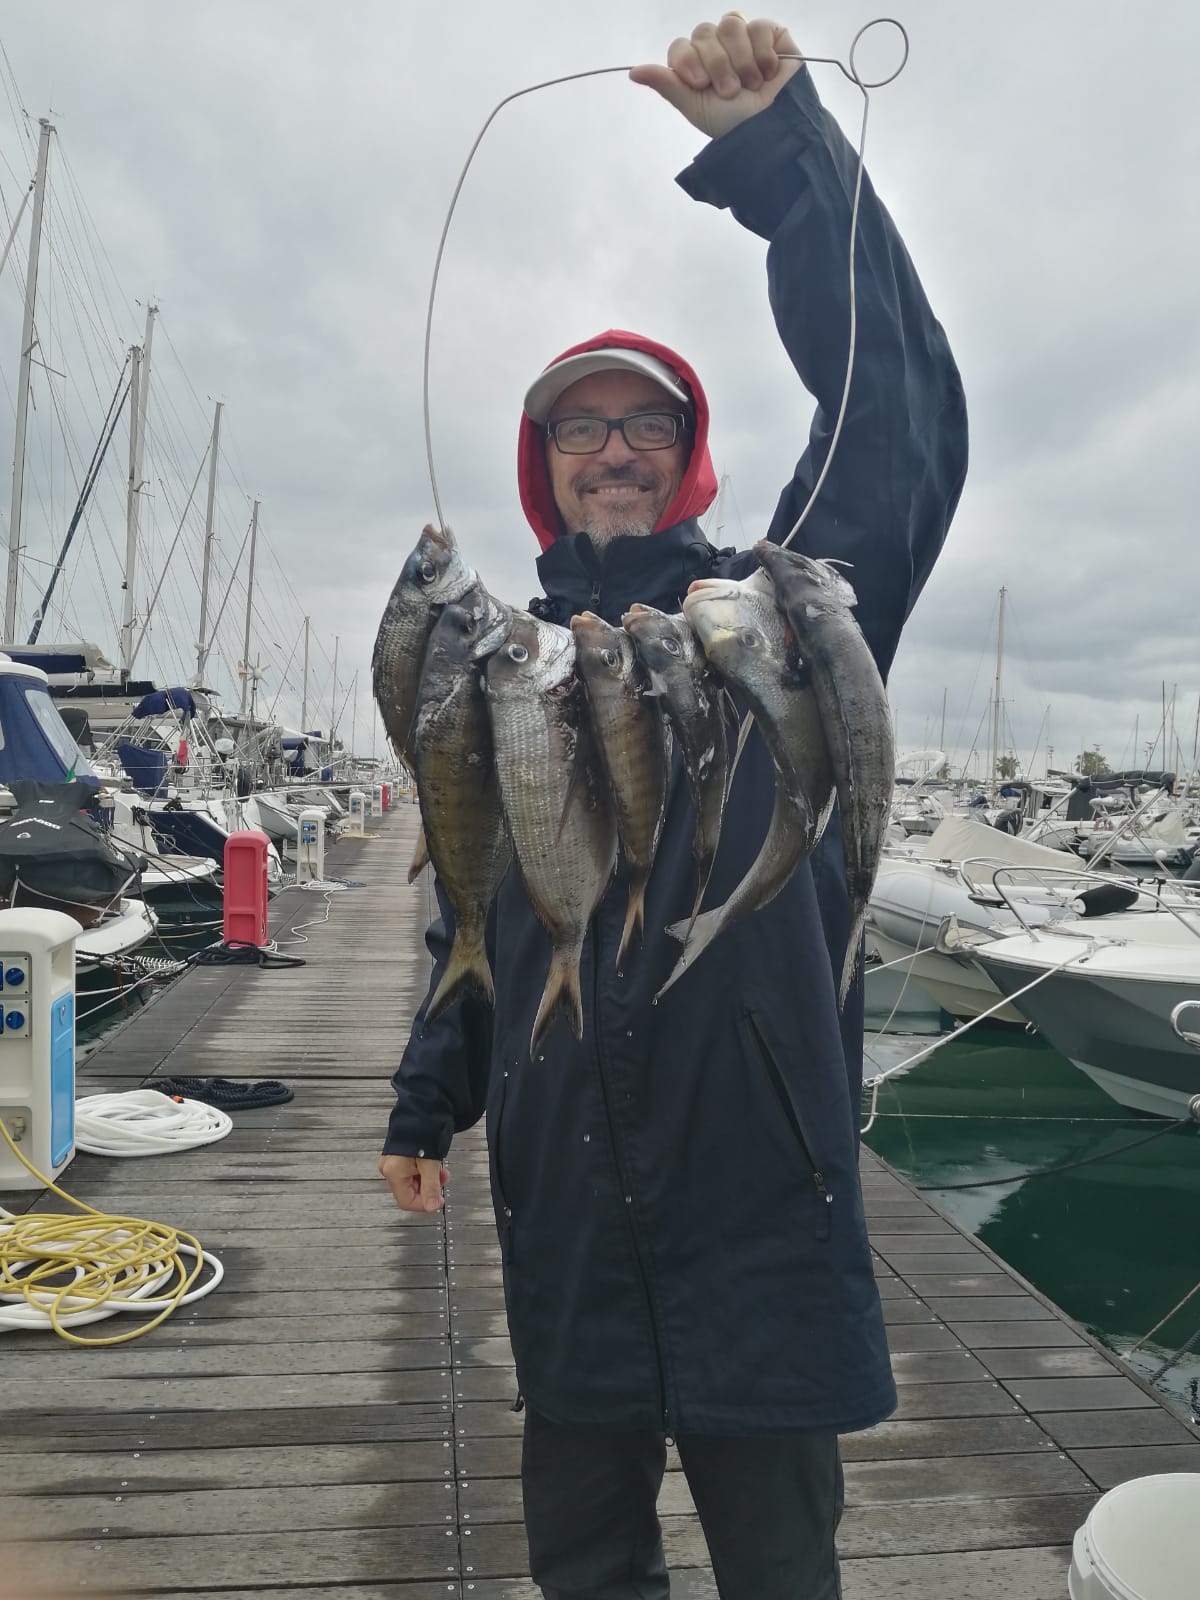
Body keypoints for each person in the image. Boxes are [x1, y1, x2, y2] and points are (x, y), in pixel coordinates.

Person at [380, 15, 967, 1599]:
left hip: (760, 1192)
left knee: (785, 1565)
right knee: (584, 1563)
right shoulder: (486, 667)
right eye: (582, 425)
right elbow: (473, 898)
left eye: (647, 422)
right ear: (544, 466)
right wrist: (432, 1091)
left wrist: (786, 159)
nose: (615, 448)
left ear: (692, 460)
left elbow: (900, 422)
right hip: (566, 1192)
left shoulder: (777, 614)